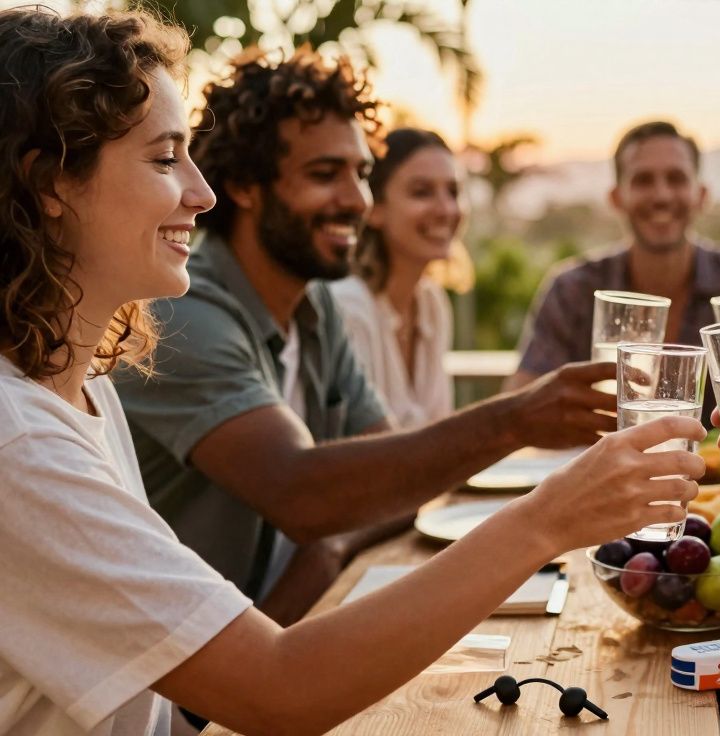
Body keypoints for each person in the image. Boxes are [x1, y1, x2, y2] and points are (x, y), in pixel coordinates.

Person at [0, 8, 702, 733]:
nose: (199, 193)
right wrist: (547, 517)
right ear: (49, 183)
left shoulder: (86, 388)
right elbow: (280, 686)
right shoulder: (21, 444)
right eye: (163, 158)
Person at [111, 46, 616, 625]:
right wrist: (514, 419)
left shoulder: (315, 304)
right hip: (182, 688)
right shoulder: (183, 313)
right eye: (326, 175)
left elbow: (393, 477)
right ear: (247, 187)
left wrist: (329, 547)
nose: (357, 201)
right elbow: (301, 495)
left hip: (288, 631)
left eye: (363, 174)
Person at [505, 120, 720, 391]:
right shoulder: (572, 290)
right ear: (616, 198)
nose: (661, 195)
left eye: (676, 178)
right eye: (643, 180)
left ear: (701, 195)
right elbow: (521, 404)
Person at [330, 128, 469, 428]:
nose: (446, 209)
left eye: (453, 192)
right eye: (422, 192)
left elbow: (438, 434)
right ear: (375, 209)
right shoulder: (349, 307)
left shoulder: (431, 303)